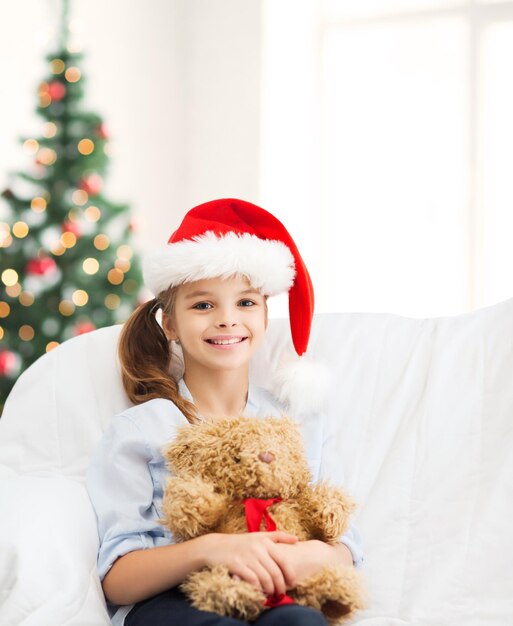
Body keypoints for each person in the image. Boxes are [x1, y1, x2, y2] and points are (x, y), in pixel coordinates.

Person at [86, 198, 364, 626]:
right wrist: (213, 548)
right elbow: (117, 579)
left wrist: (310, 555)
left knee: (301, 624)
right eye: (203, 305)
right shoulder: (142, 429)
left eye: (246, 303)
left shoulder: (300, 422)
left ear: (266, 314)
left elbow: (346, 548)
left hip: (278, 594)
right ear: (171, 325)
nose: (227, 320)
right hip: (176, 602)